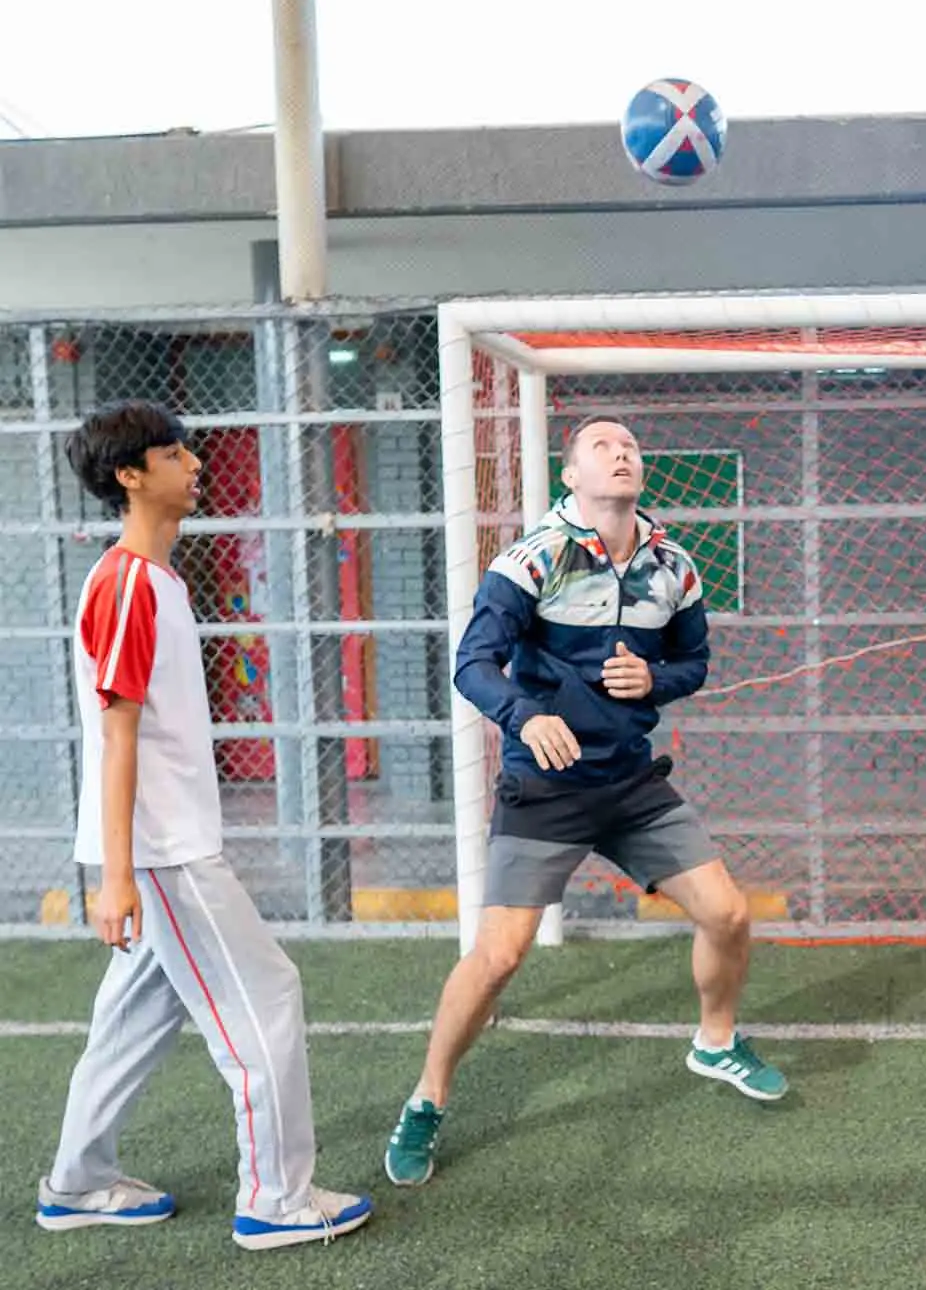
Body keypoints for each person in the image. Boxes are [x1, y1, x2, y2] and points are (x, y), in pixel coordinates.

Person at [384, 416, 786, 1188]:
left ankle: (715, 1040)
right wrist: (526, 717)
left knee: (730, 914)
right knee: (499, 955)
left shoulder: (675, 564)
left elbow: (693, 661)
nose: (623, 452)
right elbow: (473, 663)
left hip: (631, 783)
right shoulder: (533, 559)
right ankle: (427, 1099)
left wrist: (656, 681)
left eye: (630, 445)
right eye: (602, 446)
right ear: (571, 476)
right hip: (545, 788)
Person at [37, 401, 372, 1251]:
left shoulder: (157, 581)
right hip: (165, 853)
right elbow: (116, 741)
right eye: (173, 452)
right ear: (130, 476)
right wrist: (117, 876)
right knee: (266, 996)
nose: (193, 463)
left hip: (163, 849)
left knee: (132, 1020)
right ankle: (277, 1200)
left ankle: (77, 1183)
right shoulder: (124, 584)